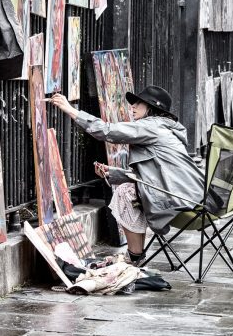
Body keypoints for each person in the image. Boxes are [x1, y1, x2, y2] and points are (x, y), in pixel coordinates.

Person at [48, 85, 211, 266]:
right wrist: (113, 172)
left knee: (125, 193)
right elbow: (154, 177)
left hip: (182, 200)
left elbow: (107, 131)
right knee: (131, 192)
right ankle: (136, 257)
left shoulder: (152, 127)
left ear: (152, 108)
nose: (132, 107)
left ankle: (134, 258)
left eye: (138, 103)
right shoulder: (162, 128)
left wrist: (70, 110)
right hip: (191, 196)